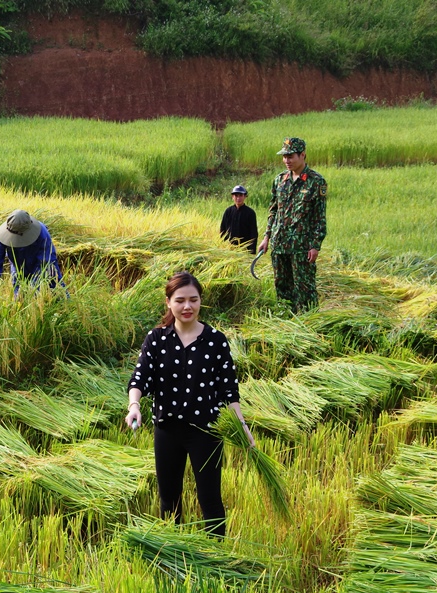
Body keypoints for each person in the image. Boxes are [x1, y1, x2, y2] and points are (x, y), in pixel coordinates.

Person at [124, 272, 253, 538]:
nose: (187, 307)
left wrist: (242, 426)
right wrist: (134, 405)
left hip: (206, 431)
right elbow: (140, 377)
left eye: (193, 300)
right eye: (180, 300)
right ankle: (173, 552)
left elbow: (229, 390)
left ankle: (215, 556)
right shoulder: (157, 339)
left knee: (210, 500)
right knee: (169, 500)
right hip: (167, 429)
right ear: (168, 302)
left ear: (200, 302)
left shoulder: (216, 340)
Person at [257, 137, 328, 313]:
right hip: (279, 244)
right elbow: (273, 211)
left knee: (305, 290)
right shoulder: (279, 180)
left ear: (302, 155)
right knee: (282, 287)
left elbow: (319, 217)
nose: (286, 161)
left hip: (302, 247)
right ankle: (286, 323)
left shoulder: (316, 181)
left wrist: (315, 245)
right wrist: (266, 237)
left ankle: (309, 325)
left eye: (291, 156)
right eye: (284, 157)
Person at [0, 209, 65, 295]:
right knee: (19, 296)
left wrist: (33, 289)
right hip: (18, 266)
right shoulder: (2, 237)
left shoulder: (42, 234)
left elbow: (45, 263)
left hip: (42, 265)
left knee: (56, 289)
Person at [219, 185, 258, 254]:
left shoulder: (250, 213)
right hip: (229, 248)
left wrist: (252, 251)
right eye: (236, 196)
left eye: (240, 195)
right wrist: (223, 246)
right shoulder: (228, 211)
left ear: (245, 196)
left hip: (244, 249)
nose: (238, 198)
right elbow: (223, 229)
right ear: (232, 197)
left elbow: (253, 233)